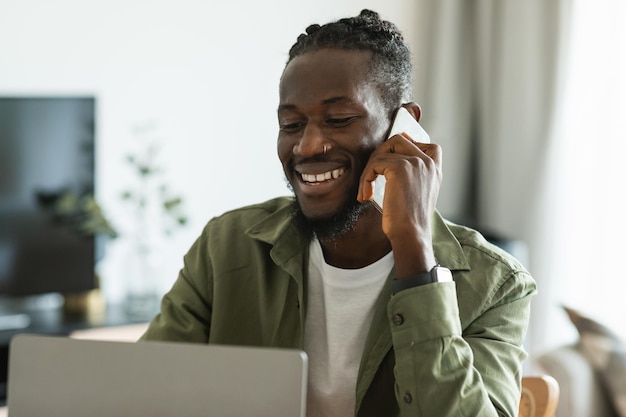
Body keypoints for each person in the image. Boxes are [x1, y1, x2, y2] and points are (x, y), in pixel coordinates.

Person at [140, 9, 537, 417]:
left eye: (339, 119)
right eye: (291, 124)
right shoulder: (226, 248)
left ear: (404, 126)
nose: (308, 146)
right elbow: (140, 392)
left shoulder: (495, 285)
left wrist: (415, 252)